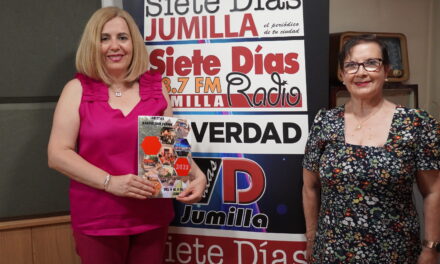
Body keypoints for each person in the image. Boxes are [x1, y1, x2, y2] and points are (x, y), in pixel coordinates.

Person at [47, 7, 206, 264]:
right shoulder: (77, 90)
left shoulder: (157, 88)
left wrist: (196, 175)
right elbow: (57, 154)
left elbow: (169, 151)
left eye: (122, 37)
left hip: (152, 217)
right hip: (99, 220)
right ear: (93, 45)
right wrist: (111, 182)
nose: (115, 46)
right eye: (104, 38)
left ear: (134, 43)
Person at [302, 34, 440, 263]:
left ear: (386, 70)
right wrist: (311, 238)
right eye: (351, 65)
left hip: (395, 252)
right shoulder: (324, 122)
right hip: (331, 251)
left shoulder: (416, 123)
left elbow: (434, 191)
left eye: (372, 63)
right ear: (341, 75)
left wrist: (431, 248)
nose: (361, 72)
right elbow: (309, 187)